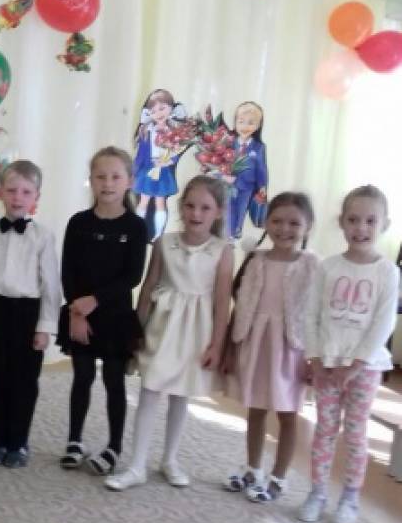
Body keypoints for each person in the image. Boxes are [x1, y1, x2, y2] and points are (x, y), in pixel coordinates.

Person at [107, 176, 234, 491]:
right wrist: (136, 329)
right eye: (190, 205)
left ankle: (170, 459)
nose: (196, 213)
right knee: (150, 390)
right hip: (162, 327)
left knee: (181, 394)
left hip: (196, 331)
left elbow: (222, 301)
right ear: (181, 207)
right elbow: (149, 286)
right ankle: (137, 465)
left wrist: (217, 345)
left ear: (218, 212)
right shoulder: (165, 243)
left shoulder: (223, 251)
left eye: (205, 208)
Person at [299, 185, 398, 523]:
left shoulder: (387, 272)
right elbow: (310, 314)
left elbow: (383, 323)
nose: (361, 228)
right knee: (324, 430)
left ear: (384, 225)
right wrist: (314, 358)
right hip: (327, 365)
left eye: (370, 221)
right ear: (342, 222)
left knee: (355, 435)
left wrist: (355, 366)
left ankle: (350, 498)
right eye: (353, 219)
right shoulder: (327, 267)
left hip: (364, 370)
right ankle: (317, 493)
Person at [58, 147, 148, 476]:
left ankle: (113, 447)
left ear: (129, 181)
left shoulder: (136, 227)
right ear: (91, 180)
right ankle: (74, 440)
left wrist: (95, 300)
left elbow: (132, 276)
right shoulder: (78, 223)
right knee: (82, 377)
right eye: (100, 176)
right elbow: (68, 272)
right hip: (79, 314)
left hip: (115, 318)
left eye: (115, 177)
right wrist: (76, 312)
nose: (107, 183)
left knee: (113, 381)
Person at [223, 193, 318, 502]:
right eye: (277, 221)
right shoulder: (257, 260)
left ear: (308, 226)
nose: (284, 229)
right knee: (256, 408)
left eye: (294, 223)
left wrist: (315, 357)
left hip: (291, 349)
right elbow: (242, 303)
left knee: (288, 413)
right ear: (266, 222)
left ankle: (278, 477)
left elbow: (317, 314)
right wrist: (232, 346)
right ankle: (253, 469)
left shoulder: (311, 265)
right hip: (258, 342)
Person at [0, 160, 61, 468]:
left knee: (25, 381)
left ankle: (19, 442)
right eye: (11, 190)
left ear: (36, 197)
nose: (17, 197)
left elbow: (51, 285)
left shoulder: (43, 236)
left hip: (28, 314)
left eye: (25, 192)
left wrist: (45, 326)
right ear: (0, 193)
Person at [133, 89, 188, 242]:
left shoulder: (174, 132)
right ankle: (137, 229)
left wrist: (169, 161)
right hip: (147, 170)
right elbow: (140, 155)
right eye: (153, 111)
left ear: (171, 108)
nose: (158, 113)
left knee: (160, 203)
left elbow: (177, 151)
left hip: (162, 171)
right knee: (143, 202)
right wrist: (134, 171)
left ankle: (158, 233)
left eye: (162, 108)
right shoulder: (146, 130)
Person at [222, 102, 269, 240]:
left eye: (250, 123)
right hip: (229, 185)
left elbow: (261, 168)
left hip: (247, 187)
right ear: (235, 122)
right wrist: (223, 176)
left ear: (258, 125)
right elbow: (220, 163)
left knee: (241, 209)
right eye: (241, 122)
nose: (245, 127)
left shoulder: (259, 147)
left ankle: (237, 231)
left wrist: (262, 186)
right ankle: (228, 233)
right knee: (229, 209)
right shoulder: (229, 143)